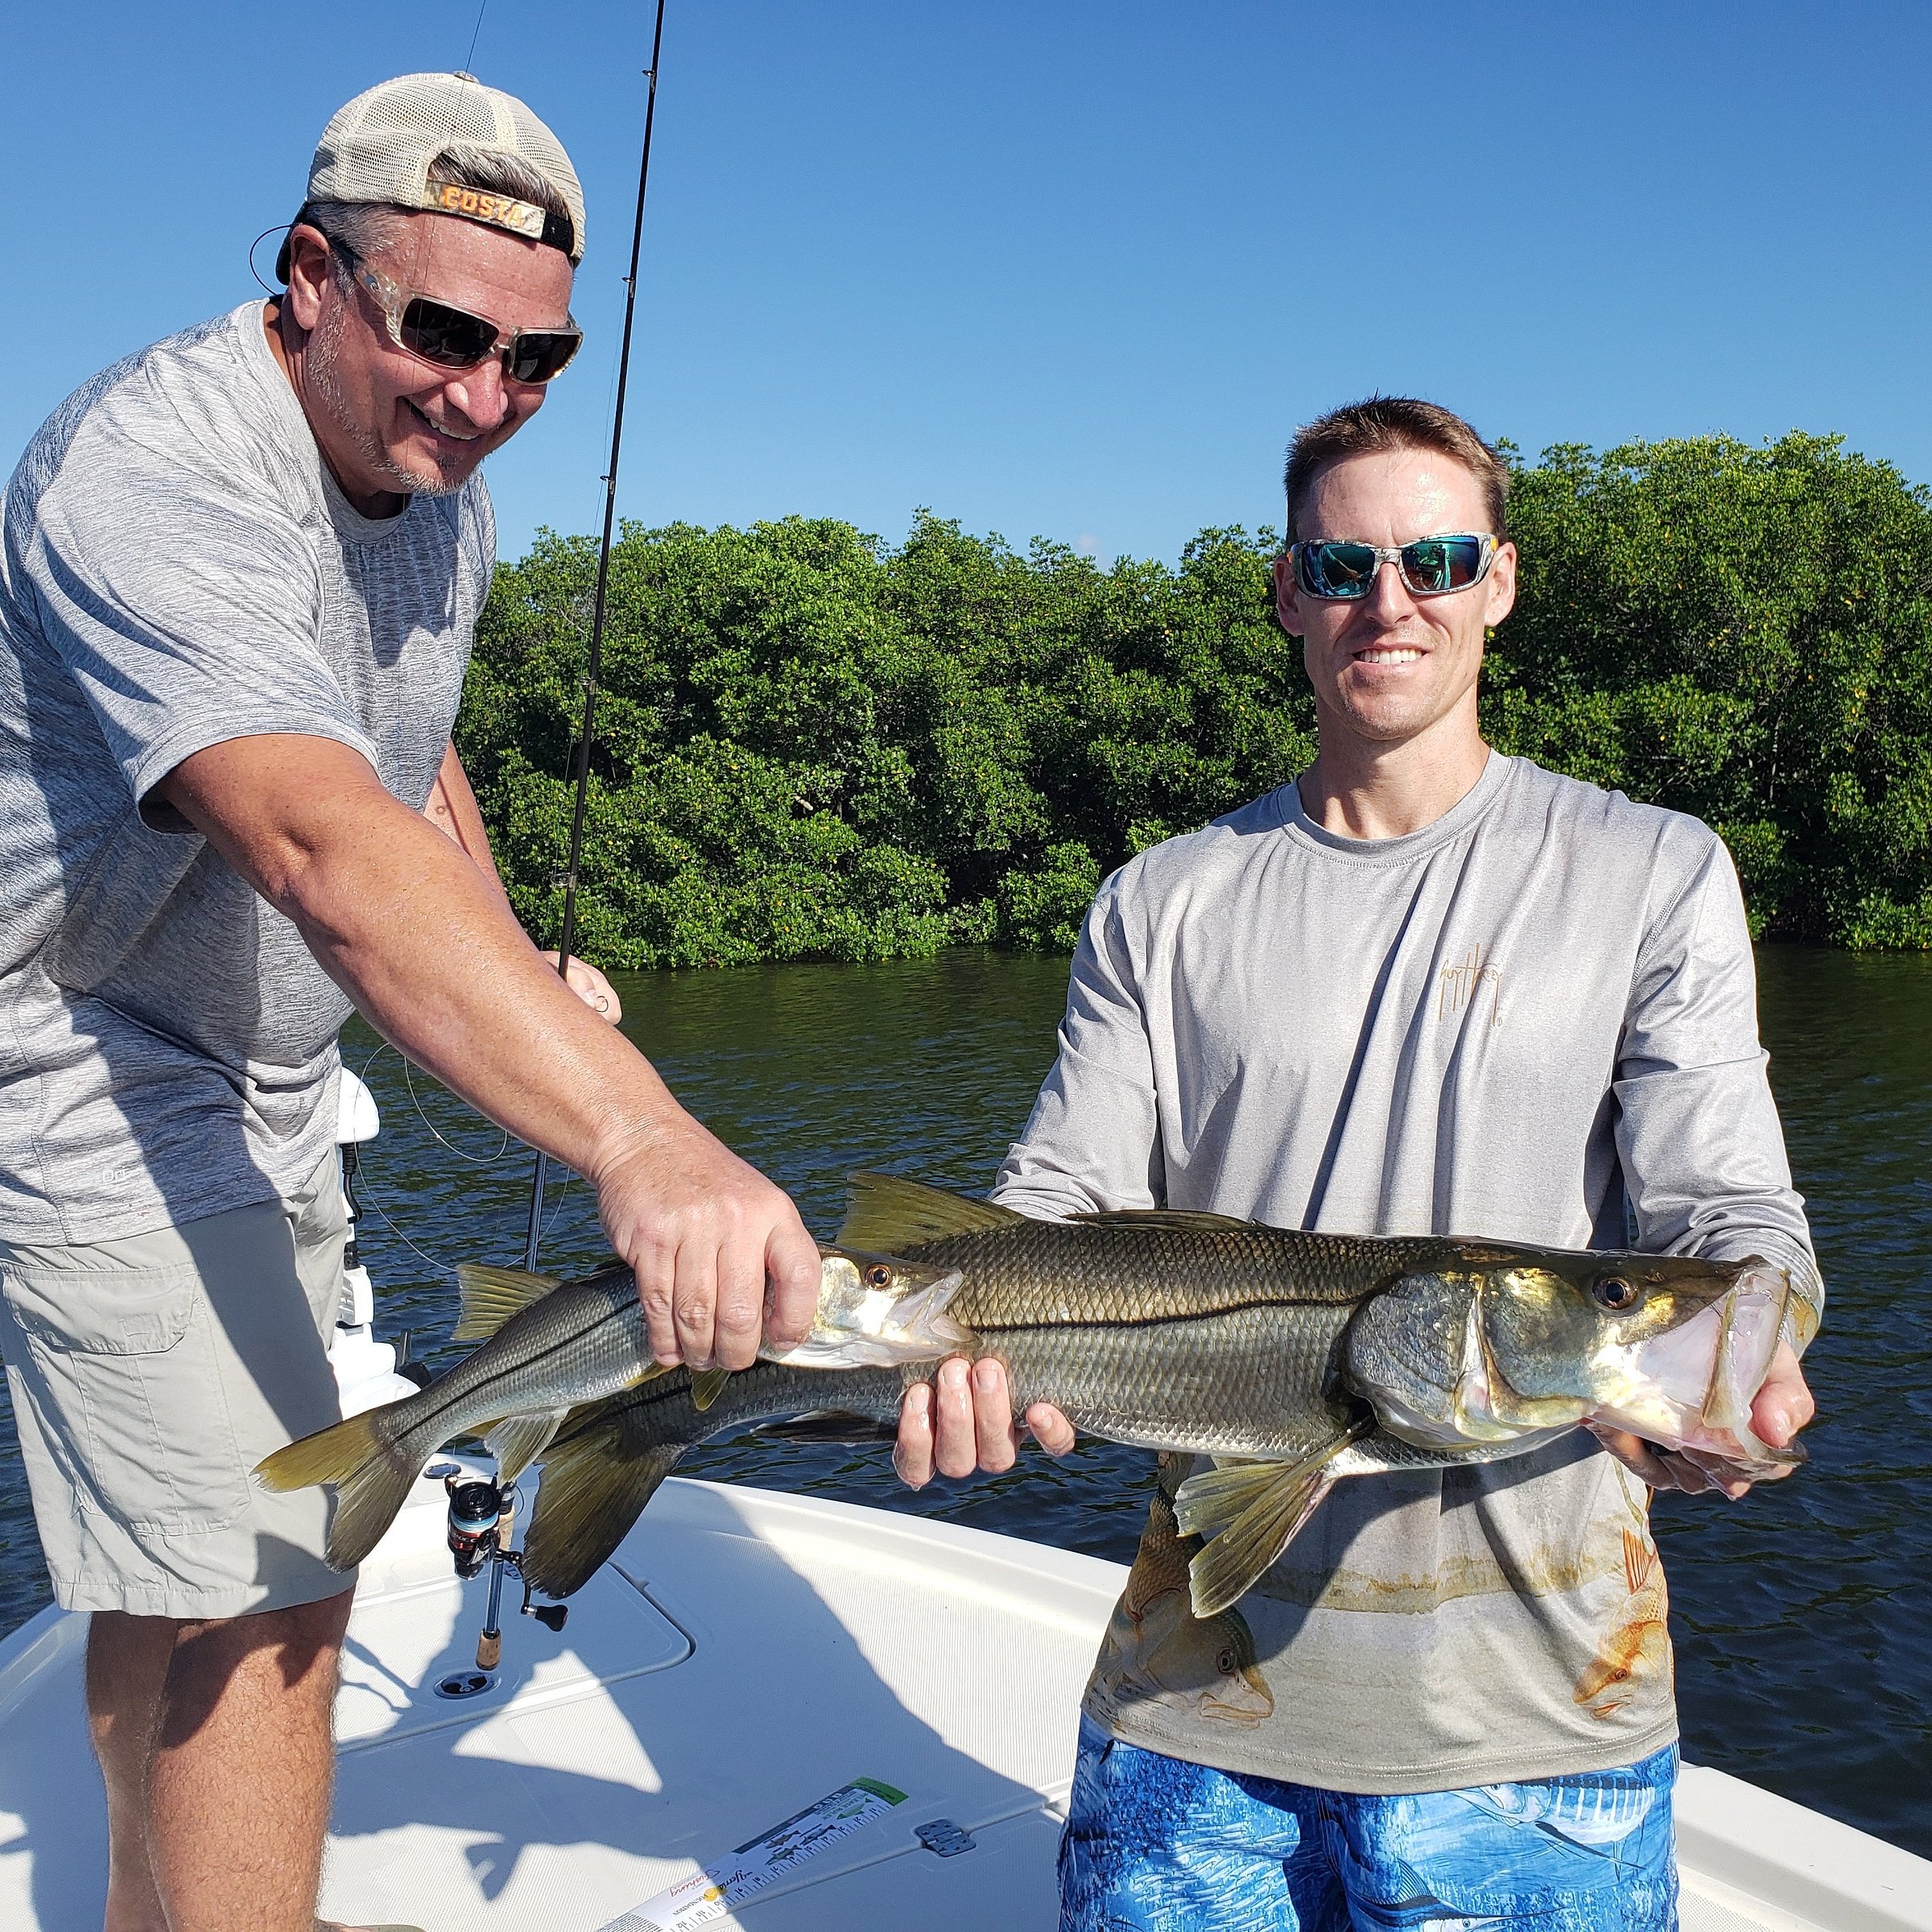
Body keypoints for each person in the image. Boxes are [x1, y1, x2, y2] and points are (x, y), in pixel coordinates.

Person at [0, 72, 819, 1932]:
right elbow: (312, 831)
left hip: (273, 1077)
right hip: (86, 1062)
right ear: (312, 275)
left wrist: (511, 956)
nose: (485, 397)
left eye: (538, 360)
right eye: (444, 333)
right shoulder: (157, 474)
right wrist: (643, 1138)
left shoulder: (443, 500)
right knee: (282, 1581)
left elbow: (402, 753)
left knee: (188, 1564)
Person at [894, 397, 1822, 1930]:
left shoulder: (1654, 869)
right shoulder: (1159, 901)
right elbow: (1056, 1207)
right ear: (1288, 593)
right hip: (1191, 1700)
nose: (1390, 602)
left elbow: (1731, 1216)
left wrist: (1755, 1348)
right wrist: (945, 1354)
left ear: (1498, 583)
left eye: (1436, 560)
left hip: (1543, 1724)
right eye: (1342, 567)